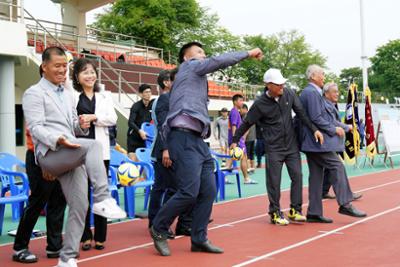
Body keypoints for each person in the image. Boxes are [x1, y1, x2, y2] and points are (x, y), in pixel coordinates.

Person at [149, 42, 263, 256]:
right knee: (188, 192)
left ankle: (199, 238)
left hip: (198, 141)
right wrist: (248, 53)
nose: (203, 54)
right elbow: (217, 61)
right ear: (186, 58)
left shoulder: (196, 79)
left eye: (204, 51)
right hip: (181, 136)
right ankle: (159, 227)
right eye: (198, 52)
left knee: (208, 190)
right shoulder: (190, 67)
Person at [22, 47, 126, 267]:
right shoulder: (34, 93)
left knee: (79, 205)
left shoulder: (68, 94)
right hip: (49, 153)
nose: (62, 70)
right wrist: (57, 139)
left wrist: (80, 125)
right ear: (44, 67)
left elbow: (72, 127)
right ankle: (102, 198)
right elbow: (36, 128)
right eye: (57, 65)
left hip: (69, 150)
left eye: (64, 66)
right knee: (94, 146)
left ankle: (67, 258)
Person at [231, 68, 324, 225]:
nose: (282, 87)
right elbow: (247, 123)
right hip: (273, 147)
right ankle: (274, 212)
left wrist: (314, 129)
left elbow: (301, 114)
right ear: (268, 85)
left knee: (298, 176)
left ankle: (295, 210)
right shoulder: (260, 104)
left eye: (283, 83)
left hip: (291, 146)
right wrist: (235, 140)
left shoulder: (289, 94)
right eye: (278, 84)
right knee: (274, 181)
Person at [298, 64, 366, 223]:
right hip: (316, 142)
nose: (324, 77)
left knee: (316, 177)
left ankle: (314, 212)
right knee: (337, 166)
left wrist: (338, 127)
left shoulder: (312, 92)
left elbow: (318, 117)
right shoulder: (312, 92)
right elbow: (317, 118)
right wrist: (334, 129)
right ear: (313, 76)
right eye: (322, 74)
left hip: (311, 142)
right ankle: (345, 203)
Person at [72, 58, 118, 251]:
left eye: (92, 72)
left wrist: (95, 118)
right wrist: (79, 123)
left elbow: (113, 118)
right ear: (77, 76)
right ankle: (85, 236)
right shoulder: (71, 95)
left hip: (100, 153)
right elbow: (68, 120)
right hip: (79, 151)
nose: (90, 75)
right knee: (81, 196)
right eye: (85, 72)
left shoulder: (105, 95)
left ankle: (100, 236)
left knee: (100, 195)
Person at [148, 69, 193, 238]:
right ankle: (157, 223)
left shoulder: (172, 99)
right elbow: (163, 126)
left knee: (169, 188)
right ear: (167, 83)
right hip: (163, 151)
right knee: (165, 188)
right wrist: (166, 149)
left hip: (169, 150)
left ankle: (165, 222)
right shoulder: (164, 99)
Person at [12, 129, 66, 263]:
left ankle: (55, 246)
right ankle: (20, 248)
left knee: (59, 201)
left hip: (60, 157)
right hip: (40, 156)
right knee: (37, 202)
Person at [321, 82, 362, 201]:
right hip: (328, 142)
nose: (337, 94)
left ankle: (322, 191)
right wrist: (347, 127)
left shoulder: (330, 105)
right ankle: (346, 195)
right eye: (334, 92)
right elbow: (332, 122)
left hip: (331, 143)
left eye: (337, 91)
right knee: (338, 167)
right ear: (326, 93)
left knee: (329, 169)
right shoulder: (326, 105)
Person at [228, 94, 257, 184]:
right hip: (237, 140)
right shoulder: (235, 112)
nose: (242, 102)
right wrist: (234, 140)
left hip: (237, 140)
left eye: (242, 100)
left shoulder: (235, 112)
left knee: (235, 158)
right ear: (235, 102)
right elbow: (234, 126)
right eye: (240, 100)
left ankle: (245, 178)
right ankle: (246, 179)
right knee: (240, 158)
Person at [127, 83, 155, 160]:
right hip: (134, 139)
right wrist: (140, 131)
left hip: (145, 139)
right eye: (146, 92)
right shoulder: (136, 106)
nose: (148, 94)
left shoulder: (153, 105)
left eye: (150, 92)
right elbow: (130, 122)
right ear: (141, 94)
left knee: (144, 163)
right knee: (133, 162)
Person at [241, 104, 256, 173]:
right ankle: (253, 168)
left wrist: (244, 137)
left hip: (248, 138)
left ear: (245, 109)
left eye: (241, 109)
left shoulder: (245, 117)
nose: (240, 111)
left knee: (247, 154)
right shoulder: (252, 115)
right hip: (253, 138)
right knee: (252, 154)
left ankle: (248, 169)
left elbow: (247, 128)